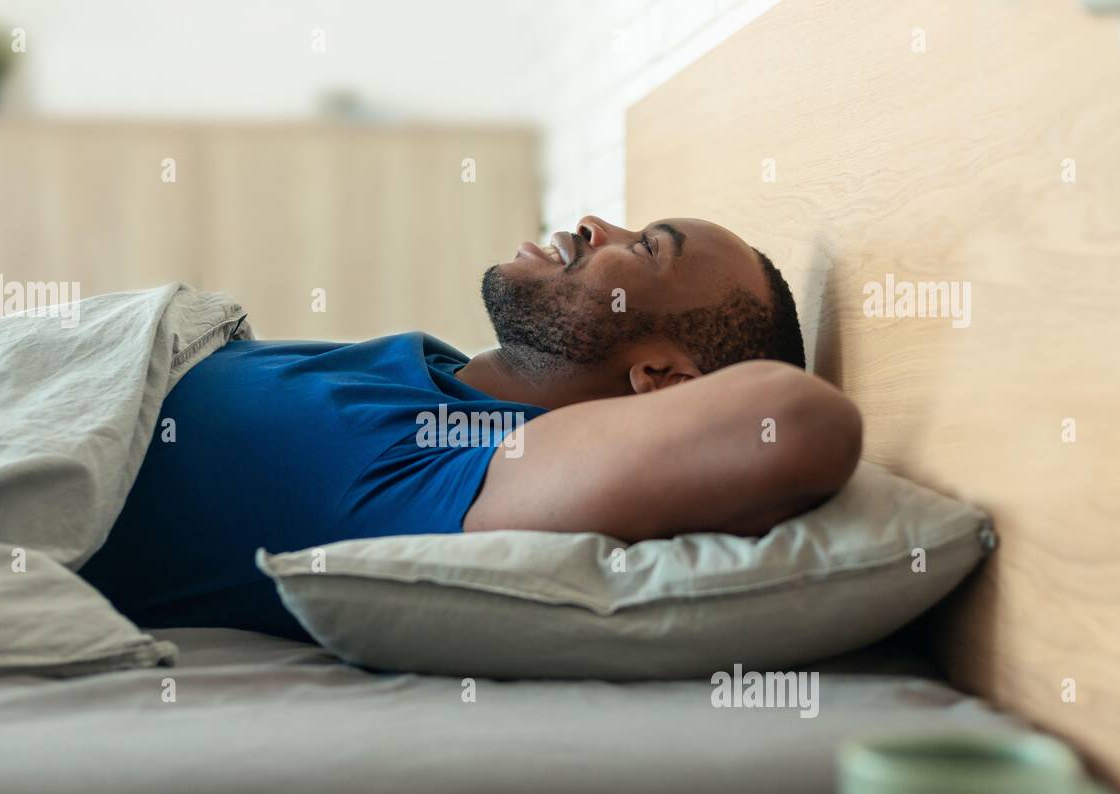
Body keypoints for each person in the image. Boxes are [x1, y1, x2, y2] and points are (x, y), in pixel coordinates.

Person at [79, 216, 862, 639]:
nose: (595, 225)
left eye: (646, 249)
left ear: (659, 381)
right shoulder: (436, 378)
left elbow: (795, 422)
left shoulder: (460, 470)